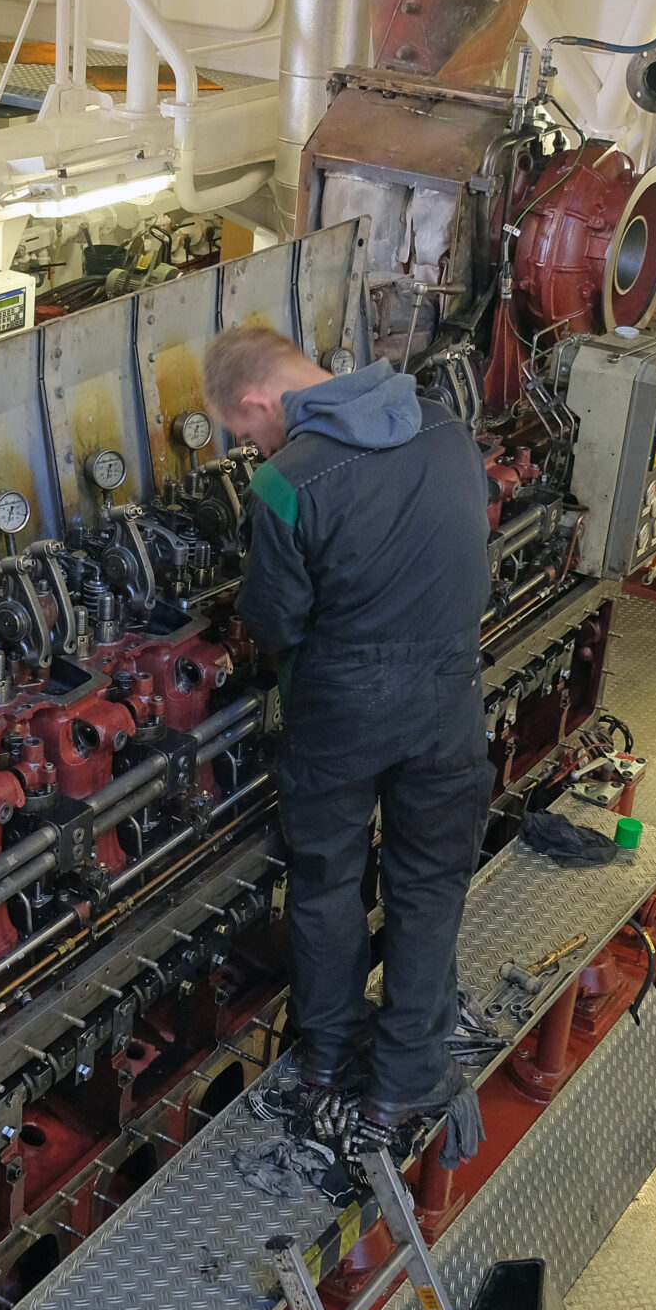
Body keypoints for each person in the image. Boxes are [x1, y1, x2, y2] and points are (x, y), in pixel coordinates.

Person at [201, 324, 492, 1169]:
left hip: (342, 712)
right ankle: (402, 1080)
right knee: (429, 886)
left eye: (245, 431)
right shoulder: (444, 425)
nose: (253, 445)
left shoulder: (287, 483)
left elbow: (272, 623)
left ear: (259, 401)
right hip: (449, 698)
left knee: (328, 884)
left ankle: (327, 1060)